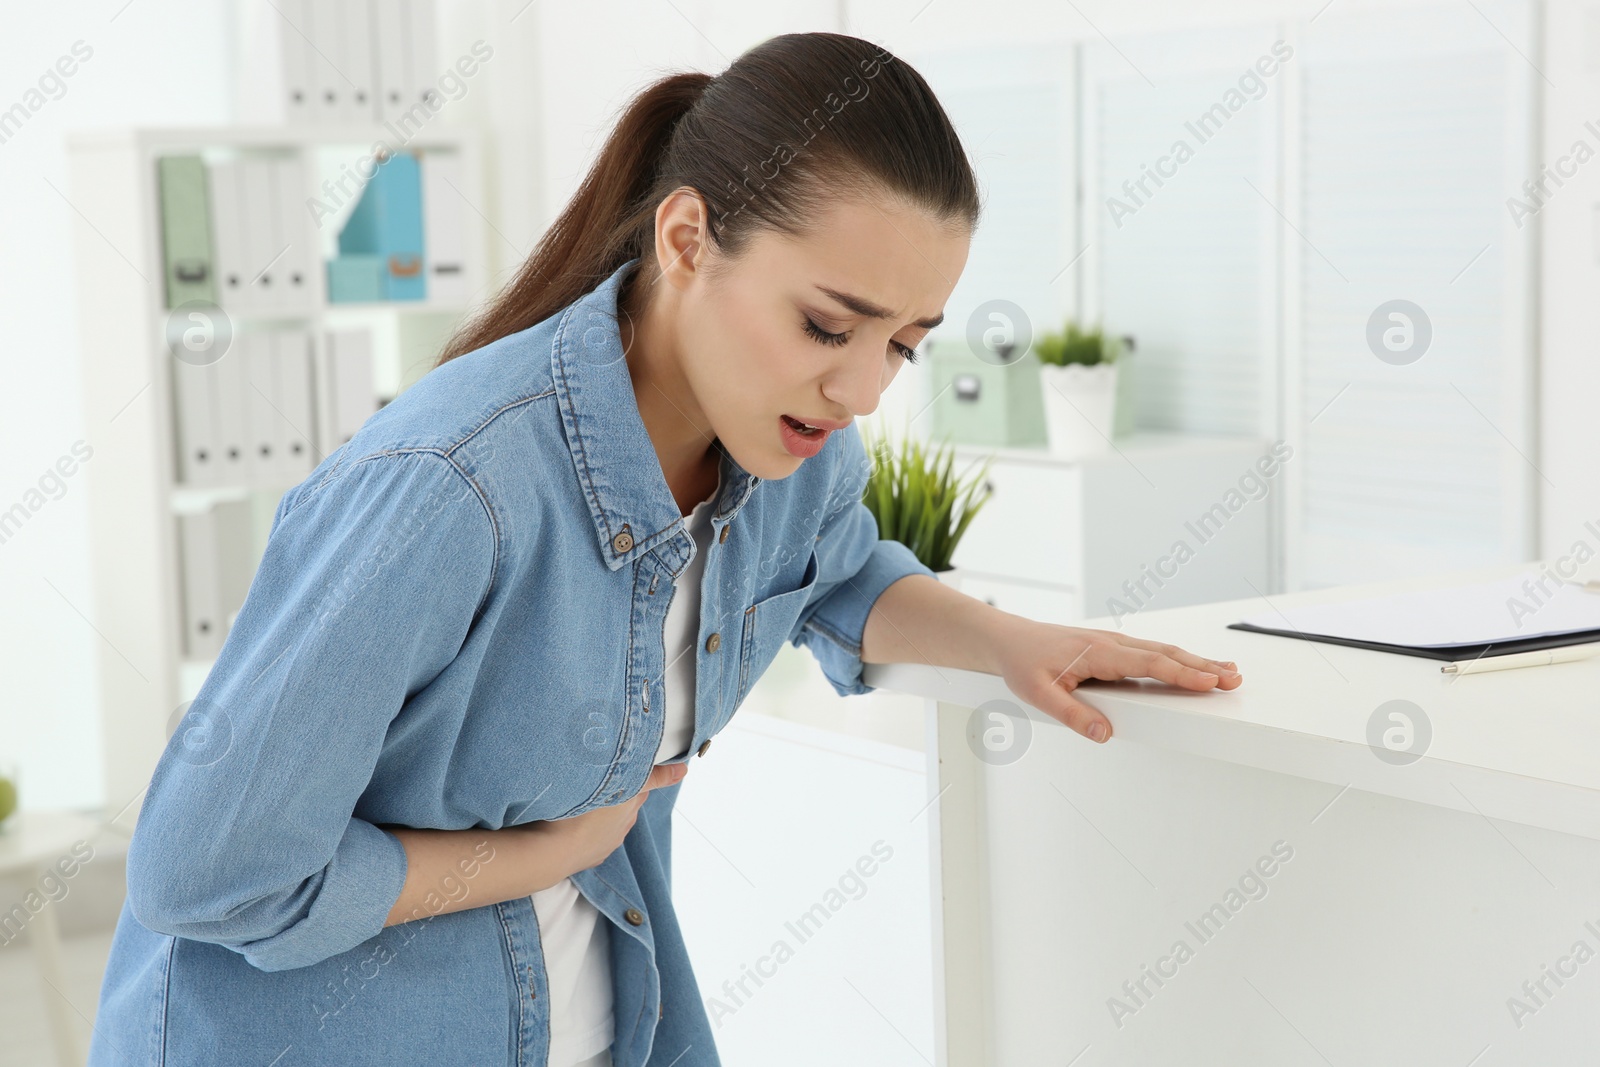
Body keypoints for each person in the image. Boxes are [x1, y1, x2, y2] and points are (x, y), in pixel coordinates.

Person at [88, 30, 1242, 1067]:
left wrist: (1007, 641)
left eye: (905, 343)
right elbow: (209, 872)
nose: (862, 387)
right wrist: (551, 849)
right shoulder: (450, 491)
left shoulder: (797, 450)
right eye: (826, 325)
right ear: (687, 237)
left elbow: (837, 571)